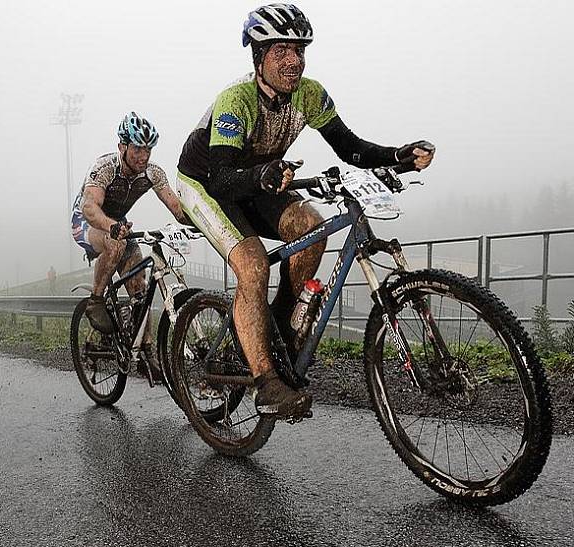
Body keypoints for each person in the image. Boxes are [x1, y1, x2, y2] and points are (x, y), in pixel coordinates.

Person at [176, 4, 435, 418]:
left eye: (299, 50)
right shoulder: (235, 100)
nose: (293, 60)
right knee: (253, 264)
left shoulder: (310, 94)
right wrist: (262, 174)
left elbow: (349, 146)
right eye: (280, 50)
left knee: (312, 228)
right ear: (258, 57)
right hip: (205, 183)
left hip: (259, 177)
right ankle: (266, 384)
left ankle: (277, 330)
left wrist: (397, 154)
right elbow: (223, 178)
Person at [71, 112, 189, 382]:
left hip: (119, 226)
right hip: (88, 222)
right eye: (137, 148)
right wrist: (110, 226)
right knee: (114, 244)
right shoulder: (104, 168)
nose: (143, 156)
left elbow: (176, 207)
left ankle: (145, 351)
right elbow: (90, 207)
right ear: (122, 146)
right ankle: (96, 300)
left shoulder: (152, 173)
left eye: (148, 149)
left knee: (140, 290)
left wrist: (201, 224)